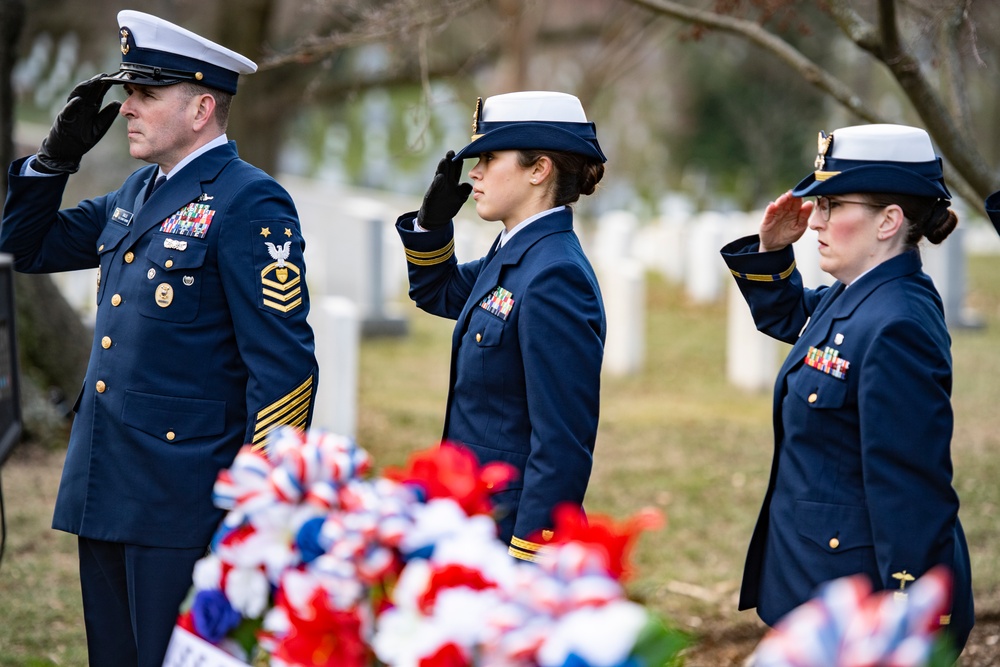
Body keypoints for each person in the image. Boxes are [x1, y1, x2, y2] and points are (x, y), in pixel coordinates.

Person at [0, 10, 317, 666]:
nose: (126, 110)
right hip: (106, 486)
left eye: (145, 94)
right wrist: (55, 158)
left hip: (184, 499)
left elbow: (284, 370)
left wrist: (256, 503)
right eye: (128, 93)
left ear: (202, 107)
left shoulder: (248, 202)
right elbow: (21, 246)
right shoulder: (137, 191)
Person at [720, 123, 974, 655]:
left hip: (853, 607)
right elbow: (794, 319)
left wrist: (912, 618)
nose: (815, 221)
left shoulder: (897, 321)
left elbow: (911, 489)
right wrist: (770, 251)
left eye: (833, 204)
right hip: (810, 583)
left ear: (888, 221)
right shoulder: (854, 295)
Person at [396, 91, 607, 561]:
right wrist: (431, 224)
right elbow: (441, 292)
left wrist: (529, 556)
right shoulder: (516, 253)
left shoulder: (555, 275)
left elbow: (562, 442)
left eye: (490, 158)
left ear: (539, 169)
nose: (474, 173)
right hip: (474, 520)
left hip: (508, 532)